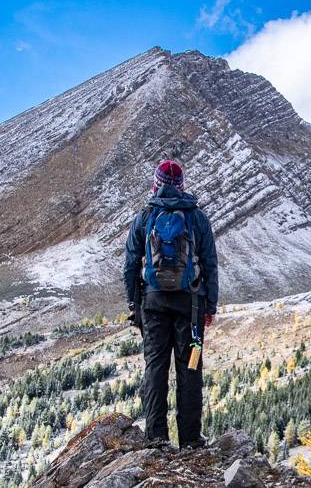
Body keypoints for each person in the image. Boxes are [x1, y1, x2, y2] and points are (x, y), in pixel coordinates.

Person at [123, 159, 219, 448]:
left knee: (155, 368)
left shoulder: (145, 216)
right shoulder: (196, 217)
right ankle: (190, 439)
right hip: (190, 305)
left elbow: (130, 264)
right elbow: (210, 263)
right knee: (189, 370)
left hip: (153, 304)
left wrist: (133, 303)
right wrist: (210, 306)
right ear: (181, 185)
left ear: (156, 183)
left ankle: (156, 438)